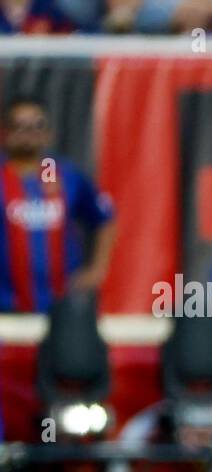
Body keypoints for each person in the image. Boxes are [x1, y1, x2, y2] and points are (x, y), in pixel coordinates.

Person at [0, 97, 116, 313]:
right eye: (20, 126)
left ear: (47, 133)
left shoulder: (64, 175)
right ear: (5, 132)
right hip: (5, 305)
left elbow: (104, 219)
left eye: (36, 126)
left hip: (61, 304)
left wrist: (97, 271)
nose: (28, 133)